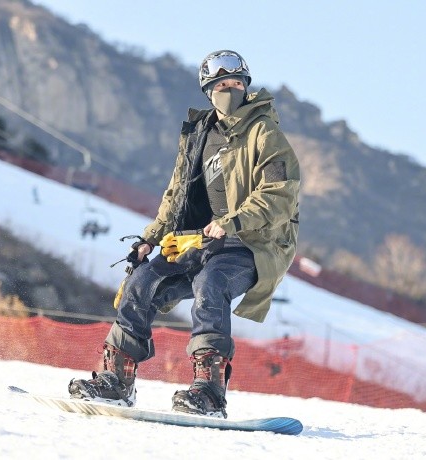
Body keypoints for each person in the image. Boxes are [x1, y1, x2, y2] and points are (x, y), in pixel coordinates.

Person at [68, 50, 300, 418]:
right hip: (197, 241)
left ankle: (209, 390)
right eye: (221, 85)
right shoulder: (198, 133)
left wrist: (233, 221)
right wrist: (149, 239)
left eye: (236, 84)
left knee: (211, 284)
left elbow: (281, 194)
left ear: (246, 87)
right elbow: (175, 195)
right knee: (142, 280)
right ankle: (116, 380)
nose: (230, 90)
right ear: (209, 90)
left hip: (249, 244)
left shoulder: (264, 133)